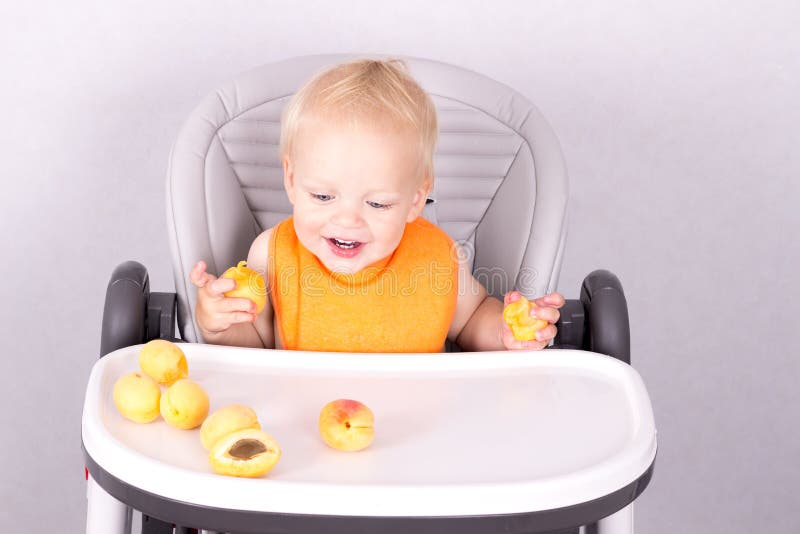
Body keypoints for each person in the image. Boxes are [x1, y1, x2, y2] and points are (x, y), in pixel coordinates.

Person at [190, 58, 564, 352]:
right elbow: (254, 347)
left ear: (416, 199)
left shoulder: (439, 257)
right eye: (323, 196)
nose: (347, 219)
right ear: (291, 179)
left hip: (419, 425)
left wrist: (507, 332)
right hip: (304, 423)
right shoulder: (272, 255)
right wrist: (220, 324)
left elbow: (470, 322)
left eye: (378, 203)